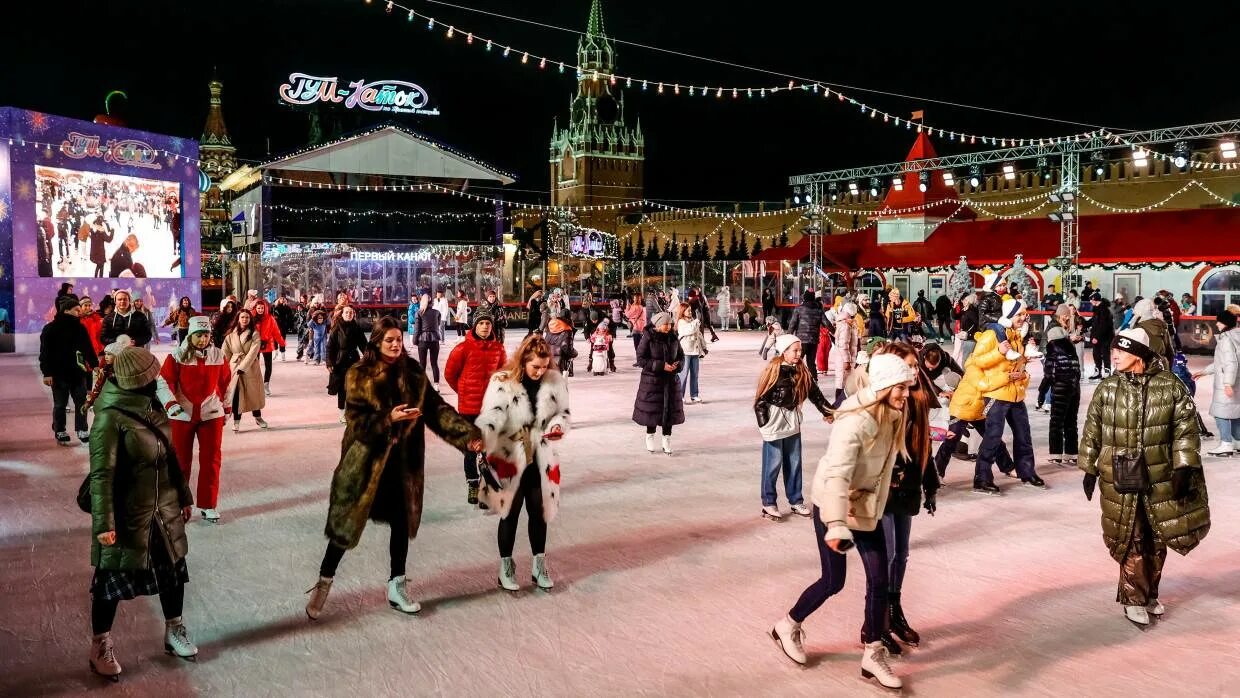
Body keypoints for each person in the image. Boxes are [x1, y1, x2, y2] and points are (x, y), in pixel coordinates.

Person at [305, 317, 483, 620]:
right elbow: (357, 422)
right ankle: (325, 580)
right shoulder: (359, 374)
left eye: (398, 339)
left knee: (401, 522)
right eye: (389, 340)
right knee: (345, 528)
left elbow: (437, 409)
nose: (395, 344)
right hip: (366, 463)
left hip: (403, 464)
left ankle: (397, 585)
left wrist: (469, 437)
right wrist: (389, 418)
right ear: (376, 342)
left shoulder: (413, 372)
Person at [768, 353, 916, 689]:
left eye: (908, 387)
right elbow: (835, 475)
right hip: (833, 507)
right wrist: (836, 524)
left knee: (879, 579)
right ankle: (788, 624)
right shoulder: (856, 421)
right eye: (901, 387)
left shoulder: (893, 414)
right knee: (834, 581)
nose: (907, 394)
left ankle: (873, 654)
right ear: (882, 387)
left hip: (865, 509)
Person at [1079, 327, 1210, 627]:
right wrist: (1088, 466)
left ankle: (1149, 593)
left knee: (1157, 538)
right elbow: (1092, 429)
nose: (1114, 355)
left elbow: (1185, 430)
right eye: (1114, 350)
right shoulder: (1108, 388)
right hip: (1120, 473)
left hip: (1159, 474)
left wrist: (1184, 466)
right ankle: (1133, 598)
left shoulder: (1170, 386)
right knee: (1132, 537)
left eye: (1121, 351)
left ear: (1138, 355)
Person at [87, 346, 198, 680]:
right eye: (152, 376)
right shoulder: (110, 417)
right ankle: (100, 644)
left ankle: (174, 629)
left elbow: (169, 455)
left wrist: (183, 494)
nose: (157, 380)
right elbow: (101, 476)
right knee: (111, 581)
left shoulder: (152, 407)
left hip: (163, 507)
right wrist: (104, 524)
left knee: (173, 571)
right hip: (127, 515)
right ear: (137, 381)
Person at [475, 335, 571, 591]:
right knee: (510, 514)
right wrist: (483, 436)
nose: (540, 372)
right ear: (523, 361)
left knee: (540, 513)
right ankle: (505, 567)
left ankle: (539, 566)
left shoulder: (554, 381)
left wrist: (558, 426)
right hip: (510, 457)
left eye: (544, 366)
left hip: (542, 458)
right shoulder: (503, 382)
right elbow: (492, 414)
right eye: (535, 367)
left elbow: (563, 413)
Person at [869, 342, 939, 655]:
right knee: (887, 554)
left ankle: (894, 610)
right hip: (883, 487)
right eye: (908, 366)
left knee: (903, 554)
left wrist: (931, 483)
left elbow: (924, 444)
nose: (914, 371)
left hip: (908, 485)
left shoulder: (918, 398)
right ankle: (875, 622)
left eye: (915, 366)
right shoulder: (883, 399)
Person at [949, 299, 1045, 494]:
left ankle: (1027, 472)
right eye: (1019, 314)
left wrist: (1024, 374)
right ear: (1009, 316)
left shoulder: (1017, 336)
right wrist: (1000, 354)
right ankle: (982, 478)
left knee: (1023, 435)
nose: (1023, 317)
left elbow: (1018, 365)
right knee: (992, 437)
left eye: (1024, 314)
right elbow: (973, 362)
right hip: (996, 394)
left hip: (1016, 395)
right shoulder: (991, 336)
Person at [755, 334, 833, 521]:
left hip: (793, 422)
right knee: (773, 464)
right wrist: (764, 423)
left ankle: (796, 499)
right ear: (784, 351)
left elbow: (816, 395)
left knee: (794, 463)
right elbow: (760, 401)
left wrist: (828, 412)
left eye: (800, 350)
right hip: (774, 422)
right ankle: (769, 503)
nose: (799, 353)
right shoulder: (773, 370)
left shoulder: (802, 371)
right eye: (795, 350)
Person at [161, 316, 231, 522]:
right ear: (190, 335)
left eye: (206, 335)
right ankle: (180, 503)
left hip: (211, 414)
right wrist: (171, 406)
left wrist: (226, 407)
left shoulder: (218, 355)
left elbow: (226, 382)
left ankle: (208, 505)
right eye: (198, 335)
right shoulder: (177, 356)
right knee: (180, 461)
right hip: (182, 416)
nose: (202, 339)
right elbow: (164, 382)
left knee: (211, 460)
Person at [444, 308, 507, 505]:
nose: (485, 326)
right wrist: (463, 392)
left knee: (488, 449)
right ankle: (473, 483)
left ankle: (485, 488)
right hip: (468, 409)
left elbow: (503, 375)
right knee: (471, 450)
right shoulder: (462, 349)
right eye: (481, 323)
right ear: (474, 325)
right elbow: (450, 374)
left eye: (488, 323)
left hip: (489, 410)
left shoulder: (498, 349)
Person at [40, 296, 99, 445]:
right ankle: (60, 429)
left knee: (81, 403)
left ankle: (82, 429)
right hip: (59, 375)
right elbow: (45, 353)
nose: (80, 312)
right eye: (76, 310)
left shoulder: (80, 328)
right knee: (60, 404)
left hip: (78, 374)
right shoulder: (50, 329)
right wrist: (47, 373)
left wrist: (95, 364)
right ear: (66, 310)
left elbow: (88, 348)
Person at [633, 312, 684, 455]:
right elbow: (641, 359)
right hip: (652, 382)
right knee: (652, 411)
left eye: (670, 324)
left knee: (669, 412)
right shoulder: (648, 337)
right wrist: (661, 366)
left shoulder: (673, 337)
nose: (669, 327)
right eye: (666, 324)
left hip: (670, 382)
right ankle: (650, 436)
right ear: (657, 324)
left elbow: (681, 355)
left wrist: (678, 365)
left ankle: (666, 441)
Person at [1196, 310, 1239, 456]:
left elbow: (1230, 363)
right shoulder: (1236, 337)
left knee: (1220, 413)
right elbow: (1221, 362)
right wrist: (1204, 372)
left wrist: (1227, 383)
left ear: (1225, 323)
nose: (1217, 323)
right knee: (1235, 412)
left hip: (1227, 382)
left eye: (1219, 321)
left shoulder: (1226, 339)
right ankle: (1237, 441)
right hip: (1236, 382)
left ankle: (1226, 443)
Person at [1044, 310, 1082, 464]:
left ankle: (1056, 454)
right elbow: (1077, 370)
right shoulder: (1071, 348)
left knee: (1056, 422)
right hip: (1074, 388)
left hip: (1060, 389)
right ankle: (1072, 454)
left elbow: (1050, 373)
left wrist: (1044, 391)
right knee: (1071, 421)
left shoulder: (1052, 348)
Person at [222, 309, 267, 432]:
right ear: (238, 319)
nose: (245, 319)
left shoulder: (254, 333)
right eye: (242, 317)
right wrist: (226, 365)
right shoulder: (231, 334)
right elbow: (225, 351)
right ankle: (236, 421)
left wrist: (244, 366)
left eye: (247, 317)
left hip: (250, 367)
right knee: (236, 394)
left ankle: (258, 417)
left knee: (253, 393)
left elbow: (254, 352)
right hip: (235, 367)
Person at [327, 305, 368, 422]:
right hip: (340, 362)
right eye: (346, 313)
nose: (349, 314)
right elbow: (330, 347)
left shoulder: (357, 327)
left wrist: (369, 357)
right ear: (342, 314)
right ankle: (342, 414)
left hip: (353, 361)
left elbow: (364, 345)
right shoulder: (336, 328)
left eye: (351, 313)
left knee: (354, 387)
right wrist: (329, 362)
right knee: (342, 389)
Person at [827, 302, 860, 407]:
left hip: (847, 358)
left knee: (844, 383)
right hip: (844, 359)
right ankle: (837, 407)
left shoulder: (847, 323)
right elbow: (843, 344)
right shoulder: (846, 325)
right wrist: (847, 360)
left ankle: (840, 406)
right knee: (842, 384)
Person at [787, 289, 825, 376]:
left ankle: (795, 379)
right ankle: (814, 382)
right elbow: (826, 323)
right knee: (811, 363)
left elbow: (792, 324)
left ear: (804, 298)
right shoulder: (818, 310)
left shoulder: (799, 309)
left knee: (797, 360)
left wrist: (789, 336)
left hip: (801, 340)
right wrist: (835, 332)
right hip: (814, 340)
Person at [251, 299, 284, 397]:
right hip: (255, 344)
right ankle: (256, 385)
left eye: (262, 308)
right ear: (255, 309)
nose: (260, 310)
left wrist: (281, 343)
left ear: (265, 308)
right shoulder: (252, 318)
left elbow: (276, 332)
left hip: (267, 344)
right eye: (258, 308)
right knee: (254, 366)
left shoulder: (270, 318)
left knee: (268, 366)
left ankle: (266, 384)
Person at [676, 304, 705, 403]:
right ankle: (680, 395)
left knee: (695, 375)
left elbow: (699, 335)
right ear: (682, 311)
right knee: (683, 375)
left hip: (695, 351)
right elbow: (689, 330)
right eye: (688, 310)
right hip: (685, 352)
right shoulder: (681, 322)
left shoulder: (692, 320)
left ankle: (694, 395)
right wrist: (697, 321)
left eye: (690, 310)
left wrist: (703, 347)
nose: (690, 312)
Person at [624, 293, 647, 365]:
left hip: (636, 327)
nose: (633, 299)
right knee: (640, 345)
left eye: (634, 298)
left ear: (635, 299)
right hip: (641, 327)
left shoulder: (635, 307)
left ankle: (640, 361)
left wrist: (627, 307)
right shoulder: (641, 307)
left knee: (637, 346)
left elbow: (627, 314)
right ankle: (641, 360)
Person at [272, 297, 295, 361]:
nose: (282, 300)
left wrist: (291, 326)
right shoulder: (274, 307)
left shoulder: (287, 308)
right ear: (278, 300)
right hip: (275, 326)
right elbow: (270, 316)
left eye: (283, 299)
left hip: (283, 326)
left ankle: (283, 355)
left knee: (282, 340)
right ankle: (276, 354)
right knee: (274, 340)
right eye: (281, 298)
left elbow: (290, 317)